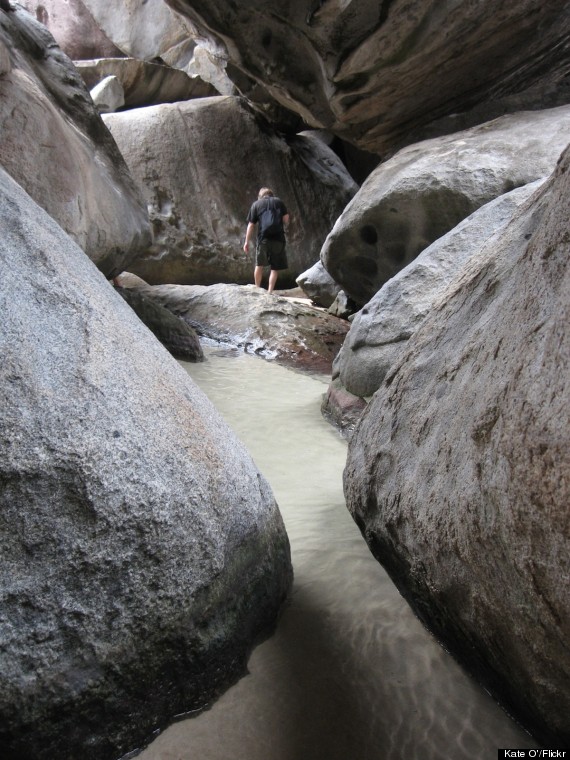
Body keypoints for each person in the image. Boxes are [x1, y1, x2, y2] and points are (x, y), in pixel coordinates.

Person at [243, 187, 290, 294]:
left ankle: (257, 289)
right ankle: (269, 292)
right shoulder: (279, 202)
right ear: (271, 195)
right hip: (278, 239)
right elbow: (286, 219)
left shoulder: (256, 204)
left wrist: (246, 242)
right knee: (275, 267)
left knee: (259, 265)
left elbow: (251, 225)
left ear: (260, 196)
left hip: (263, 238)